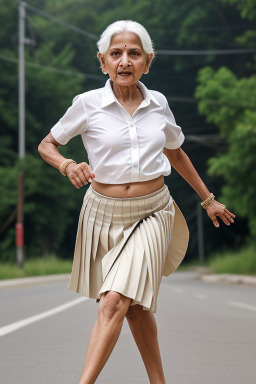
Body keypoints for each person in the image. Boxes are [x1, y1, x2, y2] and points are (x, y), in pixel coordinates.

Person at [38, 20, 235, 384]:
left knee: (114, 301)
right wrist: (67, 165)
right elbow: (47, 145)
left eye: (134, 54)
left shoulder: (158, 103)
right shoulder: (87, 104)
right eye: (116, 54)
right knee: (135, 307)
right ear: (102, 62)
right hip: (103, 215)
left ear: (148, 60)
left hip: (153, 212)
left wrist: (208, 200)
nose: (124, 61)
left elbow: (176, 154)